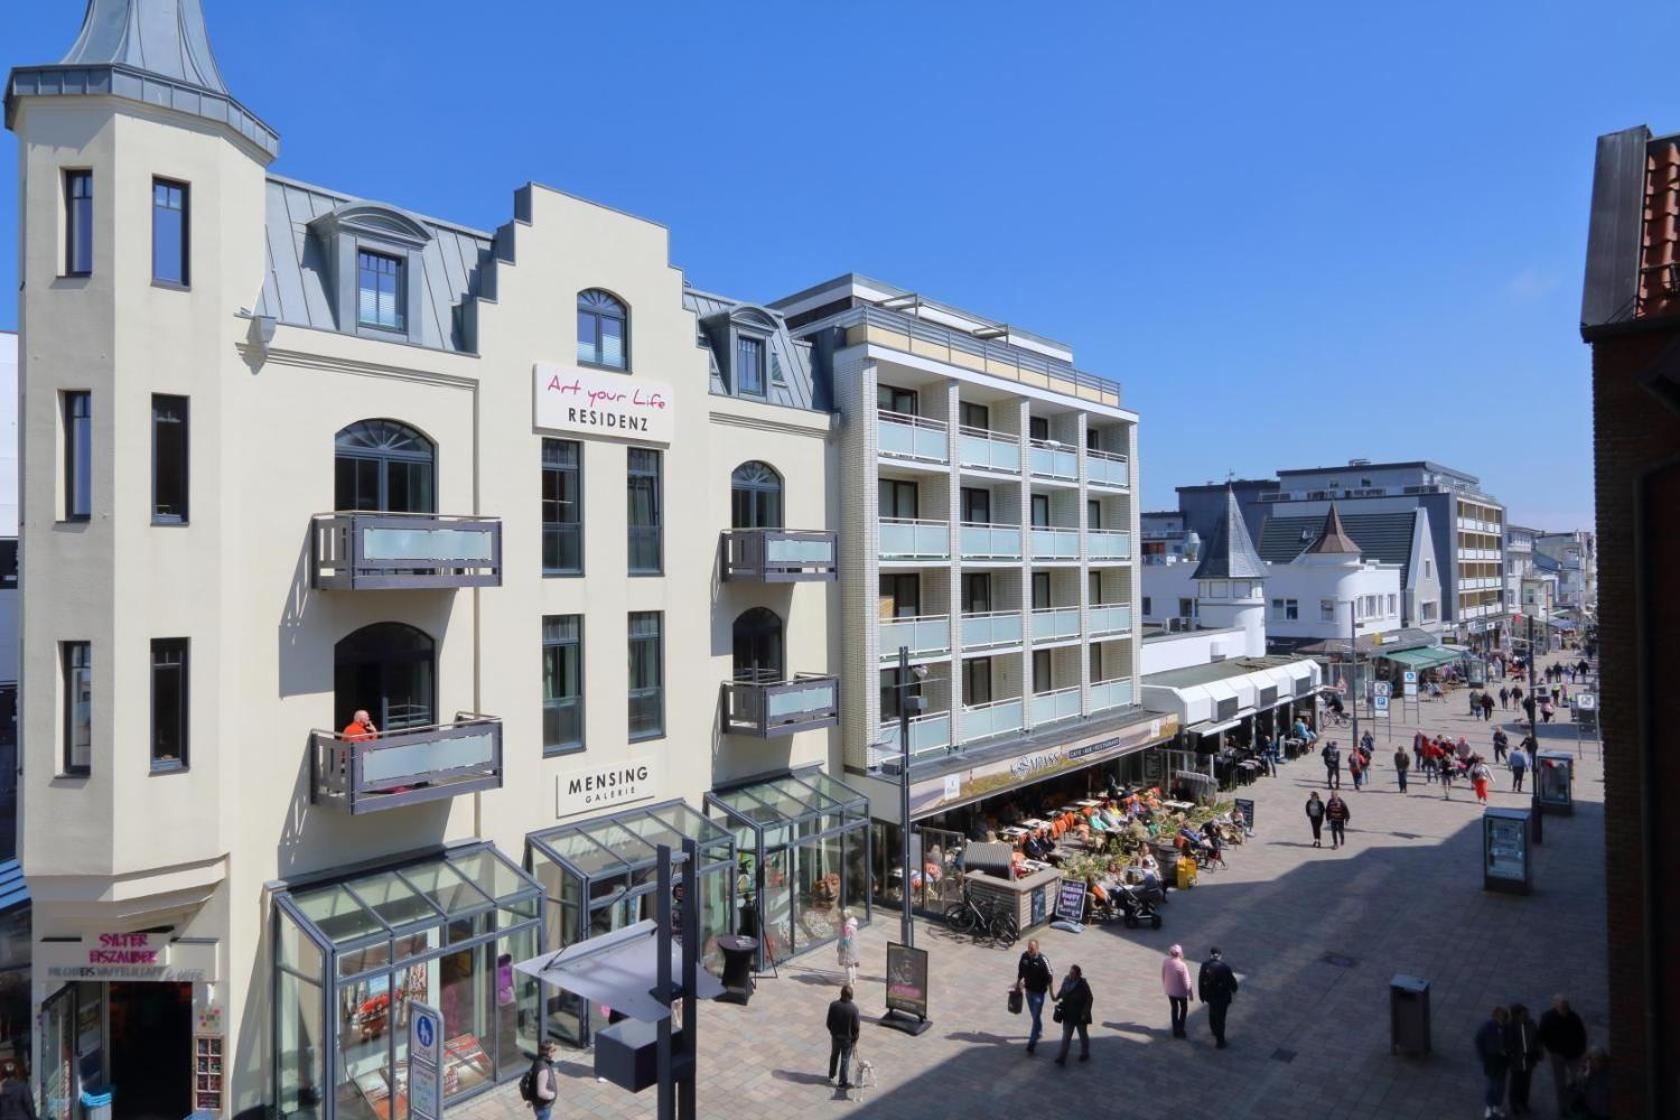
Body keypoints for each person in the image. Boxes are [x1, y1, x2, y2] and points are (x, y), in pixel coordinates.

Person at [1538, 995, 1587, 1112]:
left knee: (1579, 1079)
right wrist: (1549, 1049)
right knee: (1560, 1083)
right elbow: (1541, 1036)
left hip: (1574, 1054)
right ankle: (1563, 1108)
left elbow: (1582, 1034)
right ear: (1555, 1006)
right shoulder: (1547, 1018)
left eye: (1566, 1007)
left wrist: (1582, 1051)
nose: (1565, 1010)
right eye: (1562, 1008)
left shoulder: (1574, 1017)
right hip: (1557, 1055)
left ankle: (1575, 1103)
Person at [1015, 940, 1054, 1055]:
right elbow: (1020, 972)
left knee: (1036, 1016)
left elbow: (1050, 977)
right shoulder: (1024, 957)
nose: (1030, 950)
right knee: (1034, 1015)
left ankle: (1032, 1043)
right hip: (1028, 991)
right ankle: (1039, 1030)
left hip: (1039, 994)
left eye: (1032, 948)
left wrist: (1052, 994)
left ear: (1037, 948)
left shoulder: (1043, 960)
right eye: (1028, 948)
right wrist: (1018, 985)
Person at [1197, 946, 1239, 1049]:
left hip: (1210, 996)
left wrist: (1201, 995)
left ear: (1210, 954)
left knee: (1212, 1013)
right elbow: (1232, 982)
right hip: (1222, 997)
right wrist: (1234, 989)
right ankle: (1220, 1041)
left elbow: (1201, 981)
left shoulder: (1205, 965)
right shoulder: (1225, 967)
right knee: (1221, 1018)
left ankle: (1214, 1030)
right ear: (1220, 956)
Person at [1052, 964, 1093, 1066]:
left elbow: (1089, 998)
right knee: (1066, 1037)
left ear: (1078, 975)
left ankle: (1085, 1053)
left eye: (1073, 974)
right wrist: (1057, 997)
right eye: (1070, 973)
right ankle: (1062, 1057)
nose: (1070, 975)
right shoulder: (1066, 979)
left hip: (1080, 1016)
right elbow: (1062, 990)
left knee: (1082, 1035)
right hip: (1068, 1014)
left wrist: (1085, 1012)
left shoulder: (1083, 984)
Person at [1504, 1003, 1541, 1117]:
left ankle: (1524, 1103)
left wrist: (1538, 1053)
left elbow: (1537, 1040)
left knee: (1526, 1083)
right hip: (1517, 1061)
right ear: (1517, 1015)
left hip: (1529, 1060)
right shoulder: (1511, 1027)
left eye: (1526, 1014)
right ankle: (1514, 1105)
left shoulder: (1532, 1024)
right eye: (1523, 1014)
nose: (1526, 1016)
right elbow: (1508, 1043)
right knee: (1515, 1084)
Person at [1476, 1007, 1511, 1119]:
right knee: (1491, 1084)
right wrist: (1483, 1057)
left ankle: (1497, 1105)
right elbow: (1478, 1040)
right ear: (1495, 1017)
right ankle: (1489, 1106)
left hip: (1502, 1061)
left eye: (1504, 1019)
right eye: (1501, 1019)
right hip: (1491, 1060)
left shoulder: (1507, 1027)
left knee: (1501, 1085)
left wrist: (1508, 1051)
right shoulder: (1487, 1026)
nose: (1503, 1022)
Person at [826, 984, 861, 1089]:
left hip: (835, 1037)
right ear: (851, 996)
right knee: (845, 1060)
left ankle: (831, 1075)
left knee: (834, 1055)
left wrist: (833, 1032)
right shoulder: (854, 1009)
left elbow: (828, 1022)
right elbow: (856, 1027)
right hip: (847, 1039)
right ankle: (842, 1082)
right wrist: (855, 1040)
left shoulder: (833, 1005)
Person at [1161, 945, 1194, 1039]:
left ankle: (1175, 1030)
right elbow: (1187, 981)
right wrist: (1190, 994)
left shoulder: (1166, 961)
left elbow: (1163, 975)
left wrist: (1166, 986)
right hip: (1181, 992)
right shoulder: (1182, 965)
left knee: (1174, 1009)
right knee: (1184, 1009)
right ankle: (1181, 1028)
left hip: (1170, 991)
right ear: (1180, 954)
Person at [526, 1041, 559, 1120]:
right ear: (548, 1052)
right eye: (553, 1050)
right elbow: (541, 1092)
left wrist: (531, 1100)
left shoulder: (537, 1062)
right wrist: (552, 1095)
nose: (555, 1052)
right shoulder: (543, 1069)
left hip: (538, 1104)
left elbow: (533, 1082)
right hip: (543, 1106)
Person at [1575, 1047, 1611, 1119]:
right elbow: (1580, 1085)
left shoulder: (1607, 1071)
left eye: (1597, 1061)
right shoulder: (1587, 1070)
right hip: (1591, 1108)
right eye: (1592, 1060)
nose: (1594, 1063)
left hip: (1605, 1111)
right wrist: (1585, 1071)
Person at [837, 909, 860, 987]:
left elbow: (846, 939)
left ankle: (849, 982)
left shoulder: (847, 927)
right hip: (853, 948)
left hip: (847, 950)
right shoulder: (853, 924)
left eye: (840, 918)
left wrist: (841, 947)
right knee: (852, 964)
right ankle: (854, 979)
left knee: (847, 966)